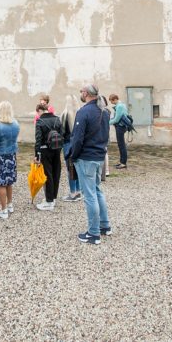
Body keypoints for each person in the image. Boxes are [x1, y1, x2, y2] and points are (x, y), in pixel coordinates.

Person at [68, 83, 112, 244]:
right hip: (99, 155)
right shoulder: (104, 111)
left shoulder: (84, 112)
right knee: (97, 191)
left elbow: (77, 138)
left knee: (89, 195)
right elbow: (106, 135)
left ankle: (94, 233)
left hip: (86, 157)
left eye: (81, 91)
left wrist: (73, 155)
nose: (80, 93)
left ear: (86, 93)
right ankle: (104, 225)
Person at [35, 102, 64, 210]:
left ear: (39, 111)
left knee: (47, 175)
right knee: (56, 173)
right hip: (56, 149)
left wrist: (36, 155)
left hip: (44, 150)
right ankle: (53, 197)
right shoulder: (57, 119)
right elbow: (62, 134)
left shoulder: (39, 121)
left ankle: (49, 201)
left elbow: (38, 140)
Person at [59, 94, 82, 202]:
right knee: (77, 168)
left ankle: (73, 193)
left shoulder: (65, 115)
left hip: (68, 143)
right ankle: (78, 191)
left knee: (70, 169)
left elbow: (62, 131)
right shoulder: (80, 113)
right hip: (79, 144)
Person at [108, 93, 129, 169]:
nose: (111, 103)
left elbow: (117, 119)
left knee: (121, 145)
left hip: (120, 127)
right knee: (121, 144)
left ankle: (123, 163)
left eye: (111, 101)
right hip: (122, 127)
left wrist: (107, 123)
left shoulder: (119, 106)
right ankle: (121, 162)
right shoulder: (122, 105)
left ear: (115, 99)